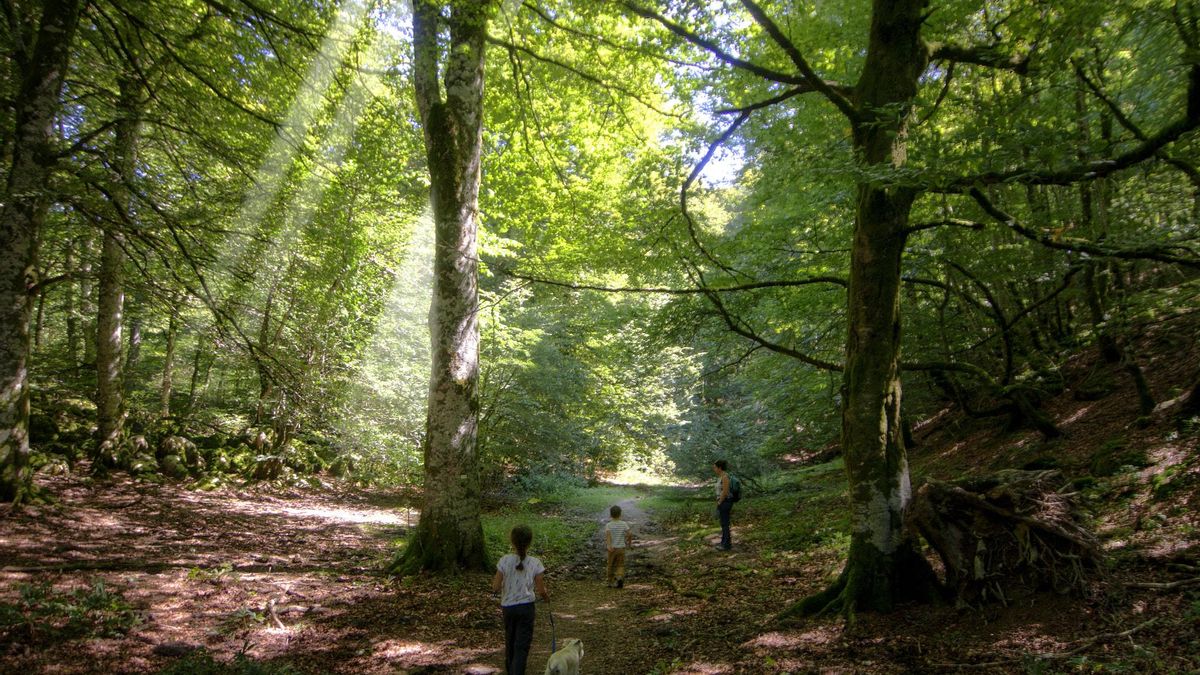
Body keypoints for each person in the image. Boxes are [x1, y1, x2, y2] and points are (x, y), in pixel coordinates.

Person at [492, 524, 549, 675]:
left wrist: (497, 591)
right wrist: (546, 597)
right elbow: (541, 589)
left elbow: (496, 586)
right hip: (526, 608)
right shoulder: (536, 563)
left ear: (512, 541)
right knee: (522, 645)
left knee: (510, 641)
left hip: (508, 607)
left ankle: (511, 670)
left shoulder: (504, 560)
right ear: (529, 543)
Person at [604, 504, 632, 588]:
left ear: (610, 515)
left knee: (610, 564)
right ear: (620, 514)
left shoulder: (608, 525)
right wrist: (628, 542)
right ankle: (619, 577)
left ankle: (610, 582)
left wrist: (609, 545)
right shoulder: (624, 524)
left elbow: (608, 536)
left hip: (612, 549)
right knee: (620, 564)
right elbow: (630, 534)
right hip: (621, 548)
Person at [713, 459, 733, 551]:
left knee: (725, 524)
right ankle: (724, 542)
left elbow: (725, 492)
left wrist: (720, 502)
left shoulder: (725, 477)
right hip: (722, 501)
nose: (714, 469)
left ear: (720, 468)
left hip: (725, 502)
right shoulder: (721, 477)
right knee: (723, 523)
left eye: (715, 467)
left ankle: (726, 545)